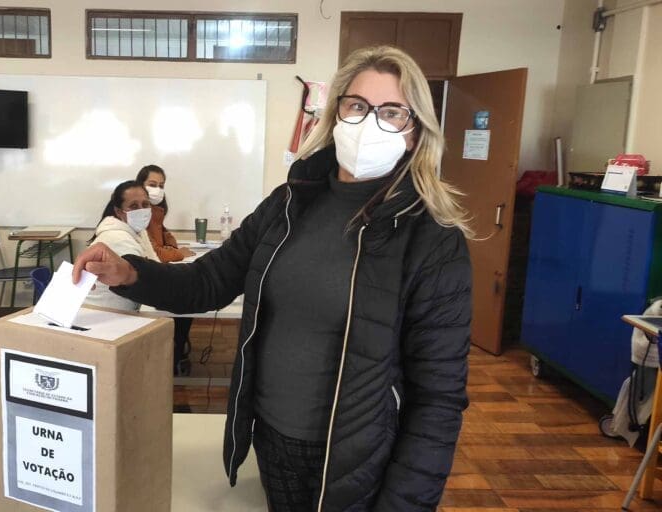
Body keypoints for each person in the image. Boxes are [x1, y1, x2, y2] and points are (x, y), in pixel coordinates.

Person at [74, 45, 472, 511]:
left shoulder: (433, 238)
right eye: (358, 106)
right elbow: (209, 280)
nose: (369, 123)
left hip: (361, 462)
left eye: (392, 112)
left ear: (414, 132)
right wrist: (129, 272)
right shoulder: (289, 203)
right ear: (336, 112)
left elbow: (438, 400)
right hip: (273, 442)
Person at [136, 164, 196, 376]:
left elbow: (164, 237)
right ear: (140, 185)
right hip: (145, 279)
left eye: (161, 185)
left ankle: (177, 352)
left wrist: (174, 247)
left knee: (188, 304)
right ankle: (173, 357)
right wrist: (178, 254)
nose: (157, 189)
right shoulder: (138, 213)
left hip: (156, 273)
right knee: (183, 304)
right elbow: (156, 252)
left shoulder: (156, 212)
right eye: (152, 184)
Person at [82, 180, 159, 311]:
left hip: (119, 311)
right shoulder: (118, 239)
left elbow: (155, 268)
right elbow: (148, 286)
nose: (141, 210)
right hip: (104, 316)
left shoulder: (139, 232)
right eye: (134, 206)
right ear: (119, 212)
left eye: (145, 204)